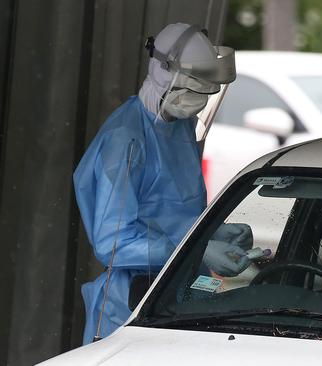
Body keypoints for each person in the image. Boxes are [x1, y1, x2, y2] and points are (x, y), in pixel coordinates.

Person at [73, 23, 247, 344]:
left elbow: (175, 210)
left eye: (205, 87)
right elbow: (115, 243)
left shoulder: (180, 127)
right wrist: (198, 250)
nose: (198, 98)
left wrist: (210, 231)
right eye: (193, 85)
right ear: (163, 72)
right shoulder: (125, 141)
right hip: (129, 306)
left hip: (173, 291)